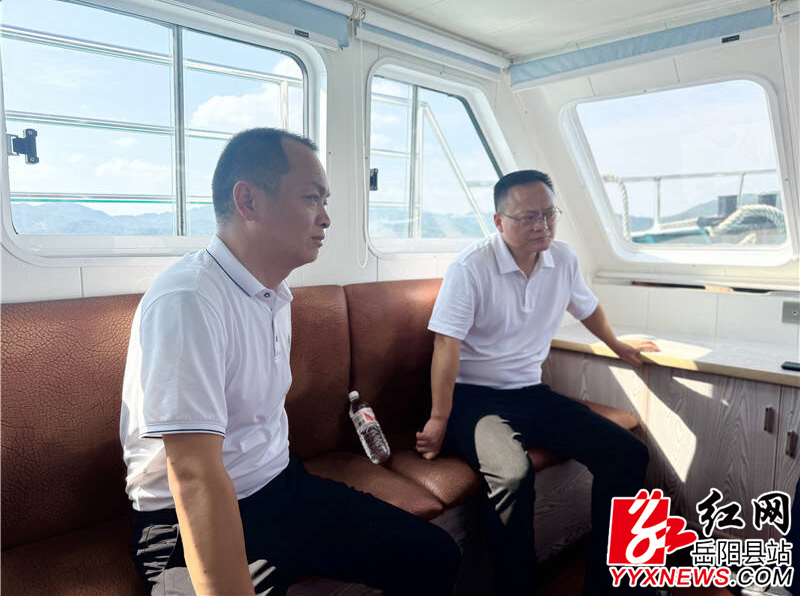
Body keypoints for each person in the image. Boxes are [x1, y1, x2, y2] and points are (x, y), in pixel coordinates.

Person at [120, 128, 460, 596]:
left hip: (279, 487)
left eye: (325, 201)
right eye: (311, 198)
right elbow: (195, 476)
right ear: (248, 201)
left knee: (435, 556)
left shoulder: (273, 293)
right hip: (179, 519)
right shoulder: (189, 299)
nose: (326, 218)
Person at [415, 169, 659, 595]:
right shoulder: (470, 267)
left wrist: (617, 344)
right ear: (499, 221)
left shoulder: (562, 259)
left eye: (548, 214)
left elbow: (587, 307)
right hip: (474, 399)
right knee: (513, 477)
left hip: (531, 392)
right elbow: (445, 344)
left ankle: (613, 586)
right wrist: (439, 418)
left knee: (627, 453)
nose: (542, 225)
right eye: (528, 217)